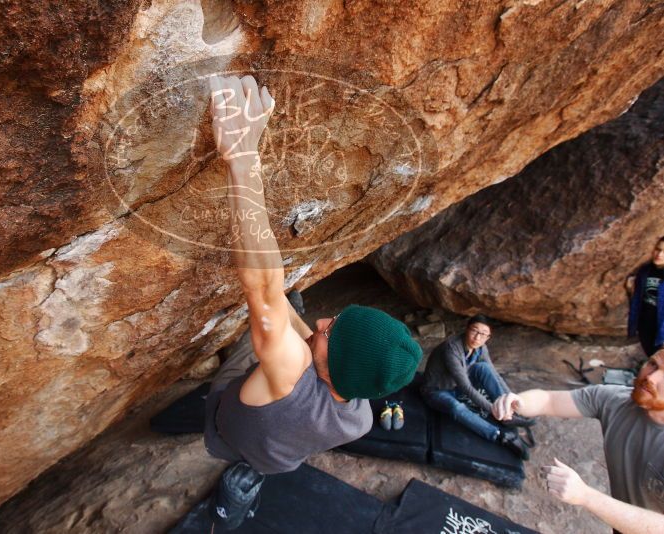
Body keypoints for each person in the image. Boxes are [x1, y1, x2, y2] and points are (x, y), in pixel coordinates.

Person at [202, 74, 423, 529]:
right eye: (335, 320)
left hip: (225, 428)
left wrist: (243, 160)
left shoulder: (289, 371)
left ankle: (231, 491)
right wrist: (302, 327)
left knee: (267, 323)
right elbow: (316, 351)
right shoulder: (359, 417)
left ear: (323, 366)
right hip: (277, 457)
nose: (323, 320)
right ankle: (250, 483)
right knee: (289, 314)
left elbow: (262, 289)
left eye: (328, 333)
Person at [493, 349, 664, 534]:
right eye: (653, 364)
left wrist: (586, 496)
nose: (651, 378)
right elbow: (548, 400)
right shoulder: (615, 401)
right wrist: (517, 402)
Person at [421, 314, 532, 459]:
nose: (477, 338)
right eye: (474, 331)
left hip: (456, 386)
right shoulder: (451, 348)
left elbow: (494, 374)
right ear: (467, 329)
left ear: (488, 337)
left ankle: (508, 412)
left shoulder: (481, 347)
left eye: (483, 334)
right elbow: (466, 387)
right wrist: (494, 410)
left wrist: (510, 399)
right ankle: (500, 436)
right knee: (457, 407)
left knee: (484, 368)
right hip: (436, 390)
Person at [627, 236, 664, 357]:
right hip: (645, 324)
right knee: (652, 356)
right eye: (658, 249)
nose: (660, 254)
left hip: (661, 328)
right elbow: (638, 300)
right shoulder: (645, 270)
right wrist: (629, 290)